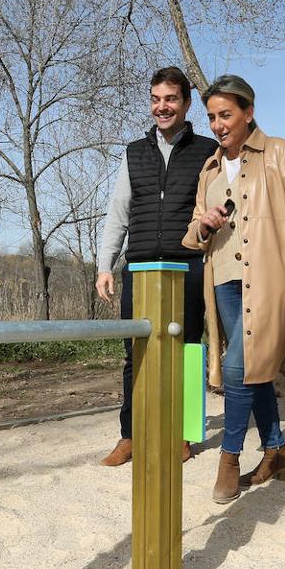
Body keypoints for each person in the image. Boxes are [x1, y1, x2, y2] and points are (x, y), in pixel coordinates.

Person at [182, 74, 285, 504]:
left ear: (248, 112)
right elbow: (192, 235)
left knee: (234, 369)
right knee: (255, 371)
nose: (218, 125)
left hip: (268, 281)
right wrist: (204, 225)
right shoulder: (208, 169)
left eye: (225, 114)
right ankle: (277, 451)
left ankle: (228, 458)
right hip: (224, 281)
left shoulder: (279, 152)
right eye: (211, 117)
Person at [96, 67, 220, 466]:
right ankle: (131, 435)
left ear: (185, 104)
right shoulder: (135, 152)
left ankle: (183, 435)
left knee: (186, 351)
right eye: (155, 99)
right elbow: (118, 213)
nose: (161, 107)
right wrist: (105, 265)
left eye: (170, 99)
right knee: (136, 353)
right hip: (141, 267)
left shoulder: (206, 151)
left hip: (188, 266)